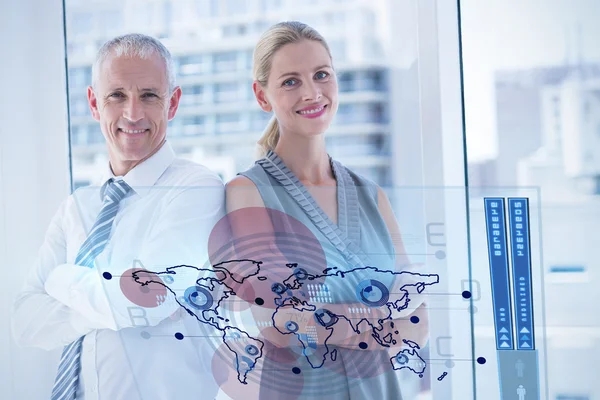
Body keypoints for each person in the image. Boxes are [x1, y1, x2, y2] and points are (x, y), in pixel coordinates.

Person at [224, 21, 430, 400]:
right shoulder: (248, 193)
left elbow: (418, 321)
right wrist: (380, 319)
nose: (312, 92)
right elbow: (274, 323)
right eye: (290, 81)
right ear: (261, 95)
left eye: (322, 75)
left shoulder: (373, 197)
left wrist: (328, 322)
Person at [11, 34, 224, 399]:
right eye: (117, 96)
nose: (133, 113)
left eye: (149, 95)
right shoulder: (78, 206)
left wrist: (61, 280)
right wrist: (112, 307)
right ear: (95, 103)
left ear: (172, 104)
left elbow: (146, 300)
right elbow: (26, 322)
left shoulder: (196, 188)